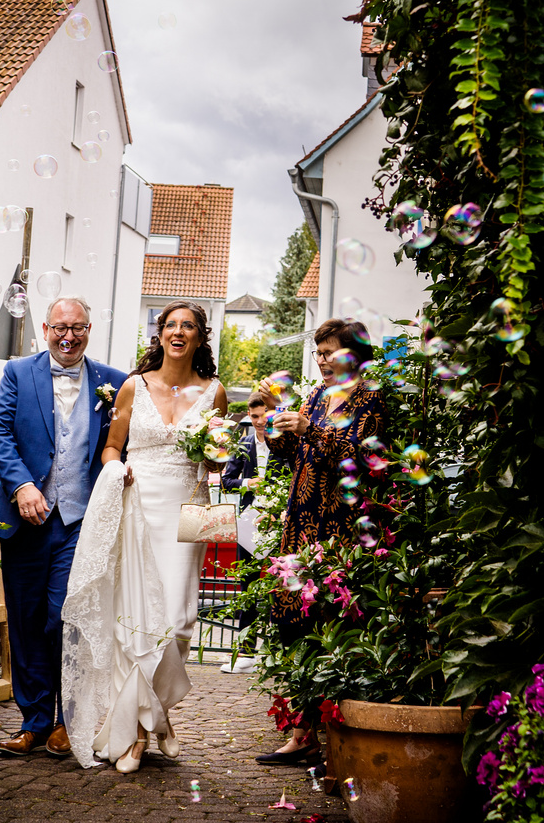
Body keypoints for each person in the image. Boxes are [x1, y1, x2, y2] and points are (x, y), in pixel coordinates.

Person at [60, 300, 228, 772]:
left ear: (200, 337)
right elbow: (111, 447)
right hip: (138, 508)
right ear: (160, 334)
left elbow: (216, 464)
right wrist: (118, 473)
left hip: (188, 511)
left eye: (188, 326)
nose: (179, 332)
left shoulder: (214, 392)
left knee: (177, 622)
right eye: (171, 325)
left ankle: (159, 714)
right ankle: (136, 735)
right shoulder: (134, 386)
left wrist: (217, 450)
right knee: (137, 623)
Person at [0, 295, 127, 761]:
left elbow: (121, 444)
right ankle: (34, 722)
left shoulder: (113, 382)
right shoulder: (18, 373)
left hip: (78, 522)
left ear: (90, 329)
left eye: (79, 328)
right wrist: (23, 485)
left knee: (63, 618)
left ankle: (68, 720)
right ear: (44, 328)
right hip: (25, 519)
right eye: (60, 327)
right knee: (26, 621)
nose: (69, 336)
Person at [255, 319, 383, 767]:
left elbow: (362, 459)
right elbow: (296, 455)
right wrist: (272, 431)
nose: (322, 360)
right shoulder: (317, 398)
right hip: (302, 526)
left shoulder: (372, 401)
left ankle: (333, 737)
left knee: (334, 631)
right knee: (296, 630)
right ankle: (302, 733)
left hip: (340, 532)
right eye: (319, 352)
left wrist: (309, 429)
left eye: (330, 351)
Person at [218, 391, 273, 674]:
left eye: (264, 415)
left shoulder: (285, 443)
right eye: (254, 417)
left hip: (278, 521)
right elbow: (226, 481)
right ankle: (246, 653)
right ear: (249, 418)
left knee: (281, 588)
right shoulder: (245, 443)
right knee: (248, 588)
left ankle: (279, 653)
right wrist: (248, 483)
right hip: (250, 522)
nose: (260, 421)